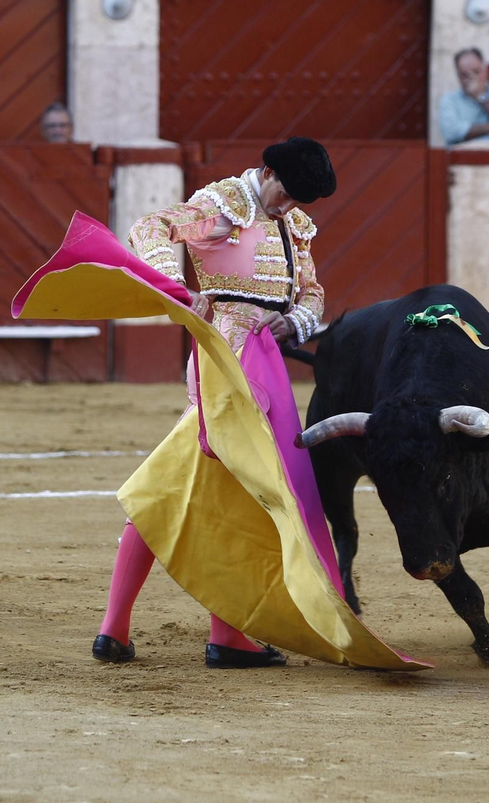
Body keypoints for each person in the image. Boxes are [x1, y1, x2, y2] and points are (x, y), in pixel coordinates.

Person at [99, 138, 337, 668]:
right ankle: (207, 635)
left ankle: (153, 630)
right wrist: (178, 290)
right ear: (267, 169)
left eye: (299, 201)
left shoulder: (291, 226)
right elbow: (150, 229)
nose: (288, 207)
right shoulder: (221, 205)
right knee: (205, 484)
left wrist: (294, 319)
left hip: (267, 362)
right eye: (286, 193)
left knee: (213, 488)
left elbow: (313, 292)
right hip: (225, 356)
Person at [438, 48, 489, 147]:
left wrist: (481, 96)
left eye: (476, 72)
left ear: (486, 71)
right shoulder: (449, 99)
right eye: (465, 75)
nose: (472, 78)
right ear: (458, 76)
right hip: (463, 157)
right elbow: (451, 132)